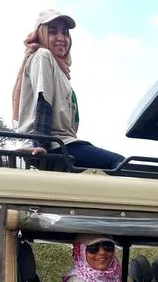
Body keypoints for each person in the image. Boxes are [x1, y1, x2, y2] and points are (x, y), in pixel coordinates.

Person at [12, 9, 124, 170]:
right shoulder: (43, 55)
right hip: (53, 146)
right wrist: (41, 144)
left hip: (62, 143)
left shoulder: (61, 70)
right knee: (121, 163)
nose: (61, 38)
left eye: (65, 33)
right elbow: (43, 100)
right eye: (53, 32)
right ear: (41, 34)